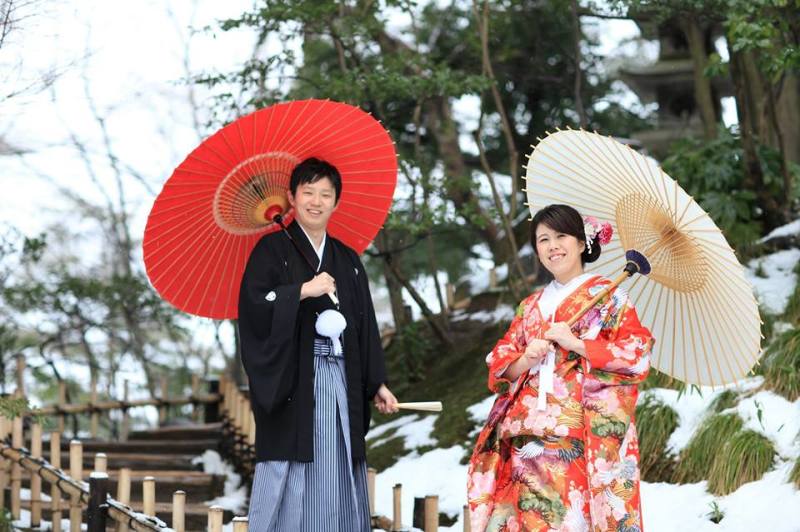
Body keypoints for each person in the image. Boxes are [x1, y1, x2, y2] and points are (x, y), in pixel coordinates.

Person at [467, 204, 654, 532]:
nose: (552, 245)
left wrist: (578, 344)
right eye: (543, 239)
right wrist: (527, 357)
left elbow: (636, 353)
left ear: (582, 243)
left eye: (561, 236)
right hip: (524, 437)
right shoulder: (530, 306)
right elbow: (500, 364)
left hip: (574, 436)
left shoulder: (610, 298)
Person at [238, 157, 399, 531]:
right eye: (308, 192)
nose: (316, 201)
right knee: (293, 466)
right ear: (292, 198)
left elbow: (364, 324)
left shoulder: (347, 259)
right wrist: (300, 291)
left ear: (336, 202)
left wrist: (376, 382)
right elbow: (253, 309)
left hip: (342, 378)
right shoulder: (270, 250)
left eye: (325, 194)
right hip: (294, 381)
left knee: (338, 461)